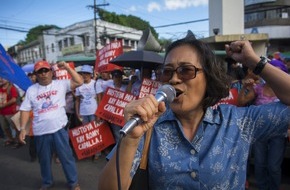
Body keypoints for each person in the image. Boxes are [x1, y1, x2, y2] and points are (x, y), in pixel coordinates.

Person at [98, 34, 290, 190]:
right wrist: (130, 140)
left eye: (185, 70)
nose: (174, 79)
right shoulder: (148, 127)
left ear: (208, 77)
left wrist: (255, 62)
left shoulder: (238, 122)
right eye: (167, 72)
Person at [18, 60, 83, 190]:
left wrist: (67, 68)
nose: (43, 74)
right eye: (40, 72)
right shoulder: (31, 90)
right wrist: (22, 128)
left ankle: (73, 183)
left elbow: (79, 81)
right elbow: (25, 109)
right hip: (40, 132)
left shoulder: (61, 84)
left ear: (51, 72)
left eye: (45, 70)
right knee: (44, 160)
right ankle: (47, 182)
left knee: (66, 158)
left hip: (59, 129)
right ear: (36, 74)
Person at [238, 59, 289, 190]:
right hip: (259, 133)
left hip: (279, 133)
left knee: (273, 166)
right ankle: (262, 187)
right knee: (260, 164)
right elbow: (242, 101)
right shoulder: (258, 88)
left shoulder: (285, 91)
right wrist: (245, 87)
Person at [0, 77, 21, 148]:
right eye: (0, 78)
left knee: (15, 127)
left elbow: (14, 99)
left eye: (3, 78)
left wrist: (3, 105)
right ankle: (11, 139)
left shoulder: (12, 88)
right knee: (4, 127)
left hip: (10, 112)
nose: (1, 79)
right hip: (1, 112)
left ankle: (19, 140)